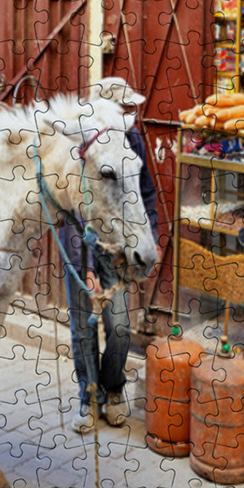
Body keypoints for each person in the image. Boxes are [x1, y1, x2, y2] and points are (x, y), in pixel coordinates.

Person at [62, 76, 160, 434]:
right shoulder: (77, 146)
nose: (130, 112)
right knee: (82, 330)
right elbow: (68, 208)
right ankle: (88, 397)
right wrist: (82, 264)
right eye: (124, 107)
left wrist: (149, 238)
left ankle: (113, 389)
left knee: (118, 327)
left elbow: (144, 192)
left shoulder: (133, 139)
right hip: (81, 249)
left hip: (116, 250)